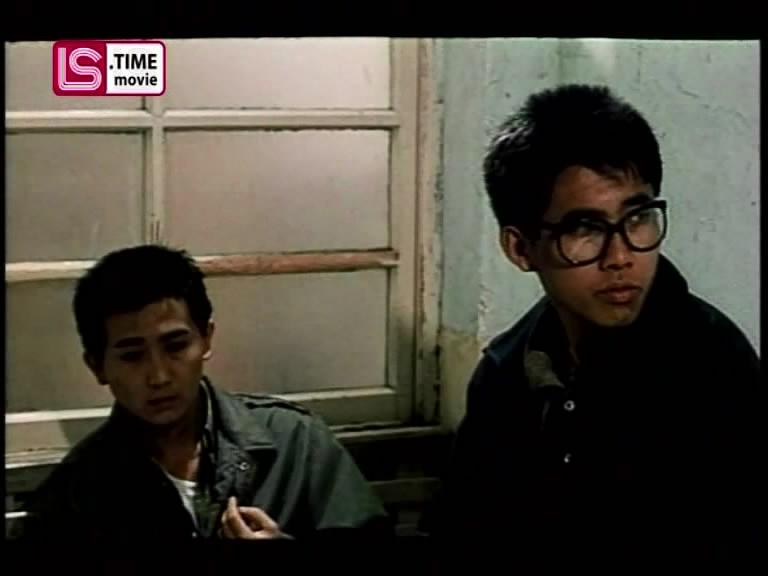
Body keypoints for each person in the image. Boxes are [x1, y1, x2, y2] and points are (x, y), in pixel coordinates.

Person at [431, 85, 762, 568]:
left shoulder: (710, 367)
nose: (621, 256)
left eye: (638, 218)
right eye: (583, 229)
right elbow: (463, 536)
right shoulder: (508, 373)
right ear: (520, 248)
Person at [14, 244, 389, 542]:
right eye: (132, 356)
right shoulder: (74, 496)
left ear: (206, 339)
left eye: (176, 346)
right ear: (97, 366)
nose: (159, 376)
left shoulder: (293, 441)